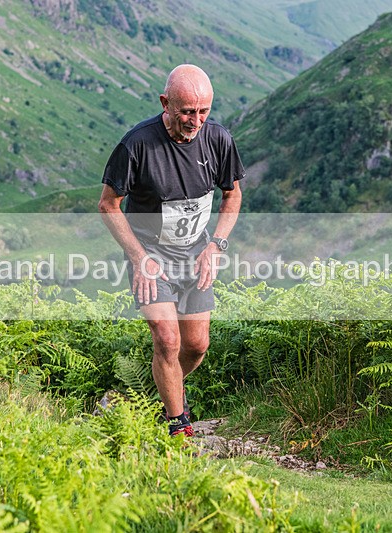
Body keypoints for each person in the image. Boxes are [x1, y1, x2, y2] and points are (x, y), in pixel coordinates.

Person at [98, 64, 245, 437]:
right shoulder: (137, 144)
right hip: (150, 253)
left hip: (196, 253)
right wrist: (138, 257)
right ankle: (178, 425)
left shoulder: (218, 140)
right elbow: (108, 205)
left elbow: (232, 194)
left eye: (204, 112)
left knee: (195, 346)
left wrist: (217, 245)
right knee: (167, 339)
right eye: (186, 112)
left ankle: (158, 393)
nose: (196, 121)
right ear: (165, 103)